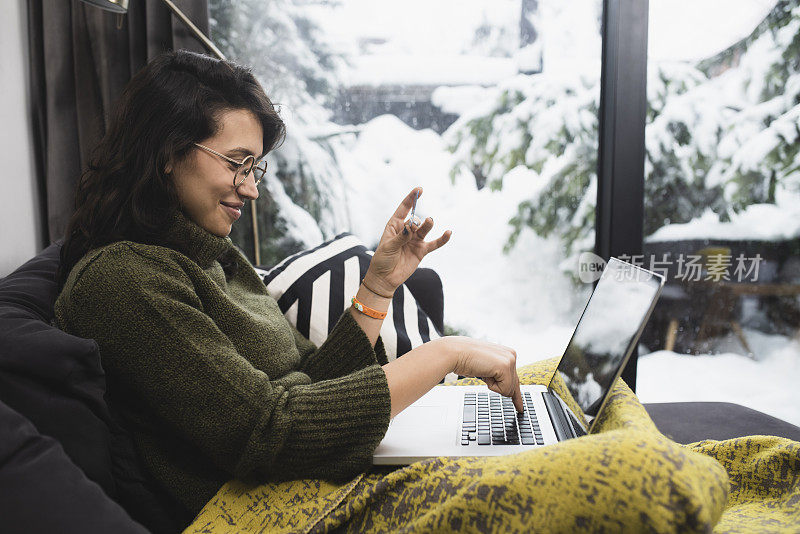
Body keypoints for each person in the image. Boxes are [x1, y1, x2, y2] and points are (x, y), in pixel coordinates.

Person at [53, 50, 523, 529]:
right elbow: (270, 432)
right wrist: (444, 355)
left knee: (538, 394)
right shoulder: (123, 282)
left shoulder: (210, 252)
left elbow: (308, 379)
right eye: (238, 164)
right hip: (264, 512)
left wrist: (379, 287)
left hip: (311, 481)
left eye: (254, 168)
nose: (252, 189)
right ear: (167, 153)